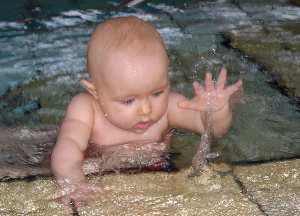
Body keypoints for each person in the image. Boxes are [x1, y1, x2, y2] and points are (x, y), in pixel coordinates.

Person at [50, 16, 242, 211]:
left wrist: (215, 111)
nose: (145, 110)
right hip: (95, 171)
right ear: (96, 92)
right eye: (128, 101)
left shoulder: (170, 107)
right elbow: (69, 144)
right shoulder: (86, 108)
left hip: (156, 172)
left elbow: (212, 130)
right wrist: (72, 181)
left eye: (157, 93)